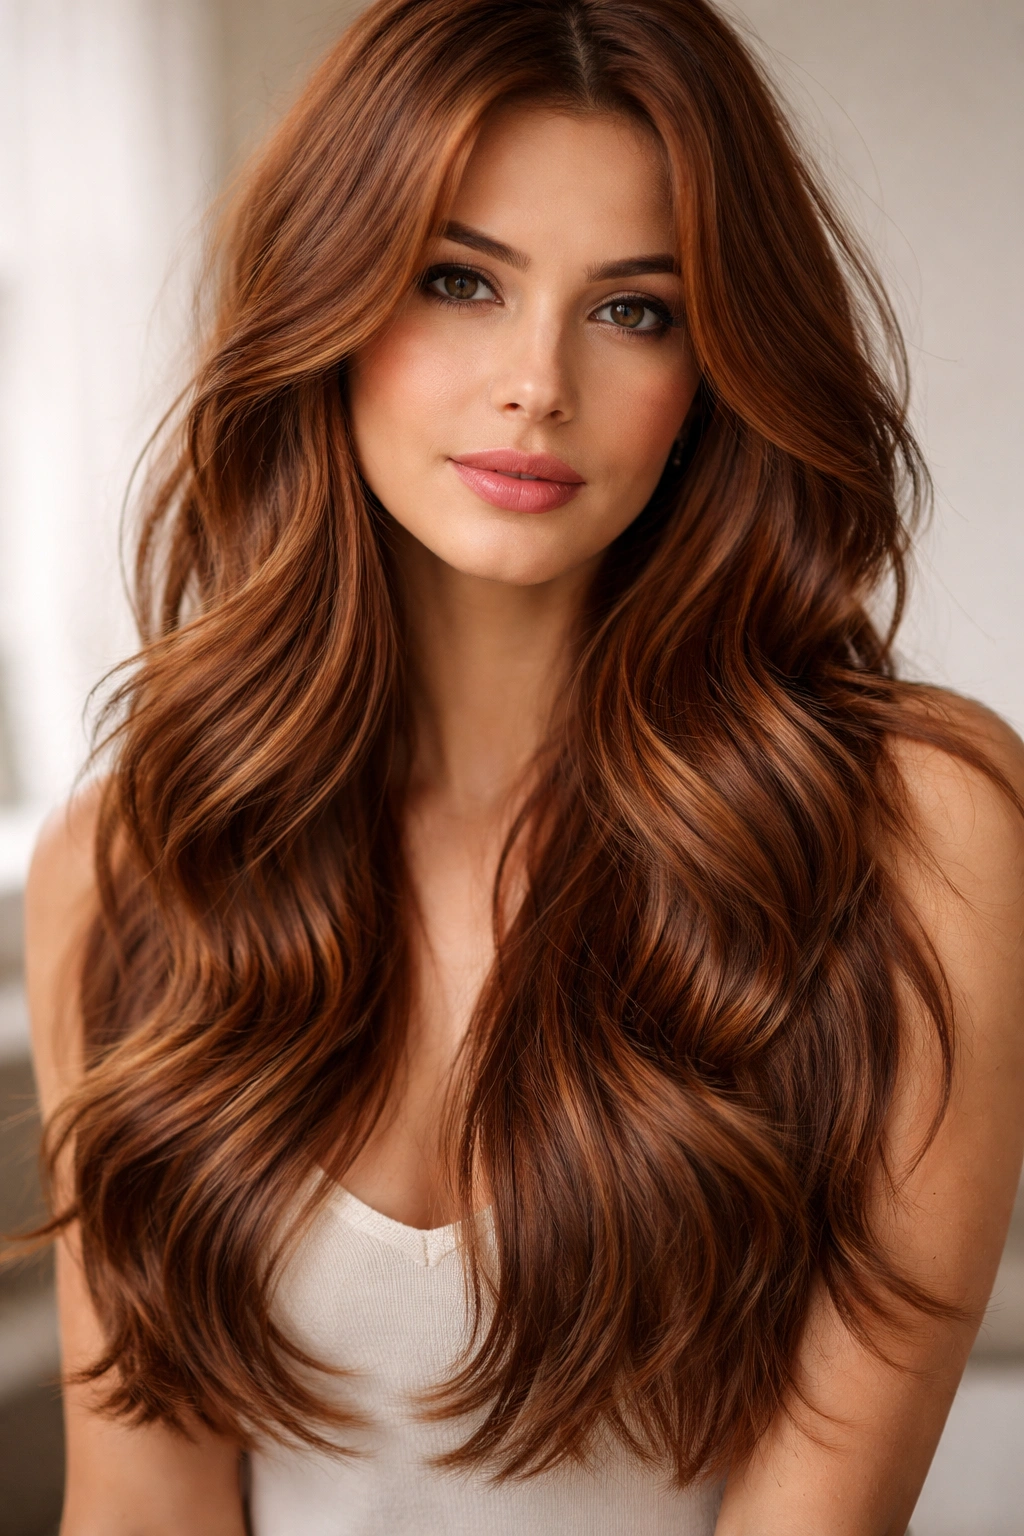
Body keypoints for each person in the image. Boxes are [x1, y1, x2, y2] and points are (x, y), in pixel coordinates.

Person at [24, 1, 1024, 1532]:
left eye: (635, 309)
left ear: (718, 364)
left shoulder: (916, 831)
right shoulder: (132, 859)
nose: (536, 383)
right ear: (331, 300)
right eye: (458, 280)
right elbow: (139, 1503)